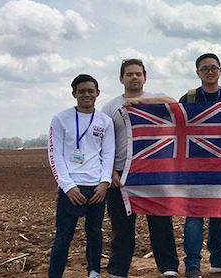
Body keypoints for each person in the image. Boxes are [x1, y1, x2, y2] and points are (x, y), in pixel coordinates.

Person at [100, 59, 180, 278]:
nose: (134, 77)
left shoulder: (157, 101)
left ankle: (168, 267)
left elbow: (175, 105)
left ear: (145, 77)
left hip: (153, 175)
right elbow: (102, 143)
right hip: (121, 174)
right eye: (129, 74)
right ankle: (117, 270)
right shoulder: (110, 107)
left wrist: (142, 103)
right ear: (121, 78)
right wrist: (110, 172)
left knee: (161, 223)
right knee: (122, 226)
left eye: (138, 74)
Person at [180, 53, 221, 278]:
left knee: (220, 212)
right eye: (204, 68)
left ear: (220, 70)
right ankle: (193, 264)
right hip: (195, 167)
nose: (209, 71)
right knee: (194, 215)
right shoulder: (188, 98)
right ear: (197, 72)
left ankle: (218, 258)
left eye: (213, 67)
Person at [47, 74, 115, 278]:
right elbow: (54, 154)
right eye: (81, 91)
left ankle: (93, 271)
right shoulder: (60, 119)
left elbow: (108, 153)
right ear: (74, 93)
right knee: (63, 236)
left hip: (96, 188)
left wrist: (104, 183)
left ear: (97, 93)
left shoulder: (105, 121)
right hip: (72, 189)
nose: (86, 95)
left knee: (95, 232)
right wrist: (67, 186)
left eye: (90, 91)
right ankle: (55, 274)